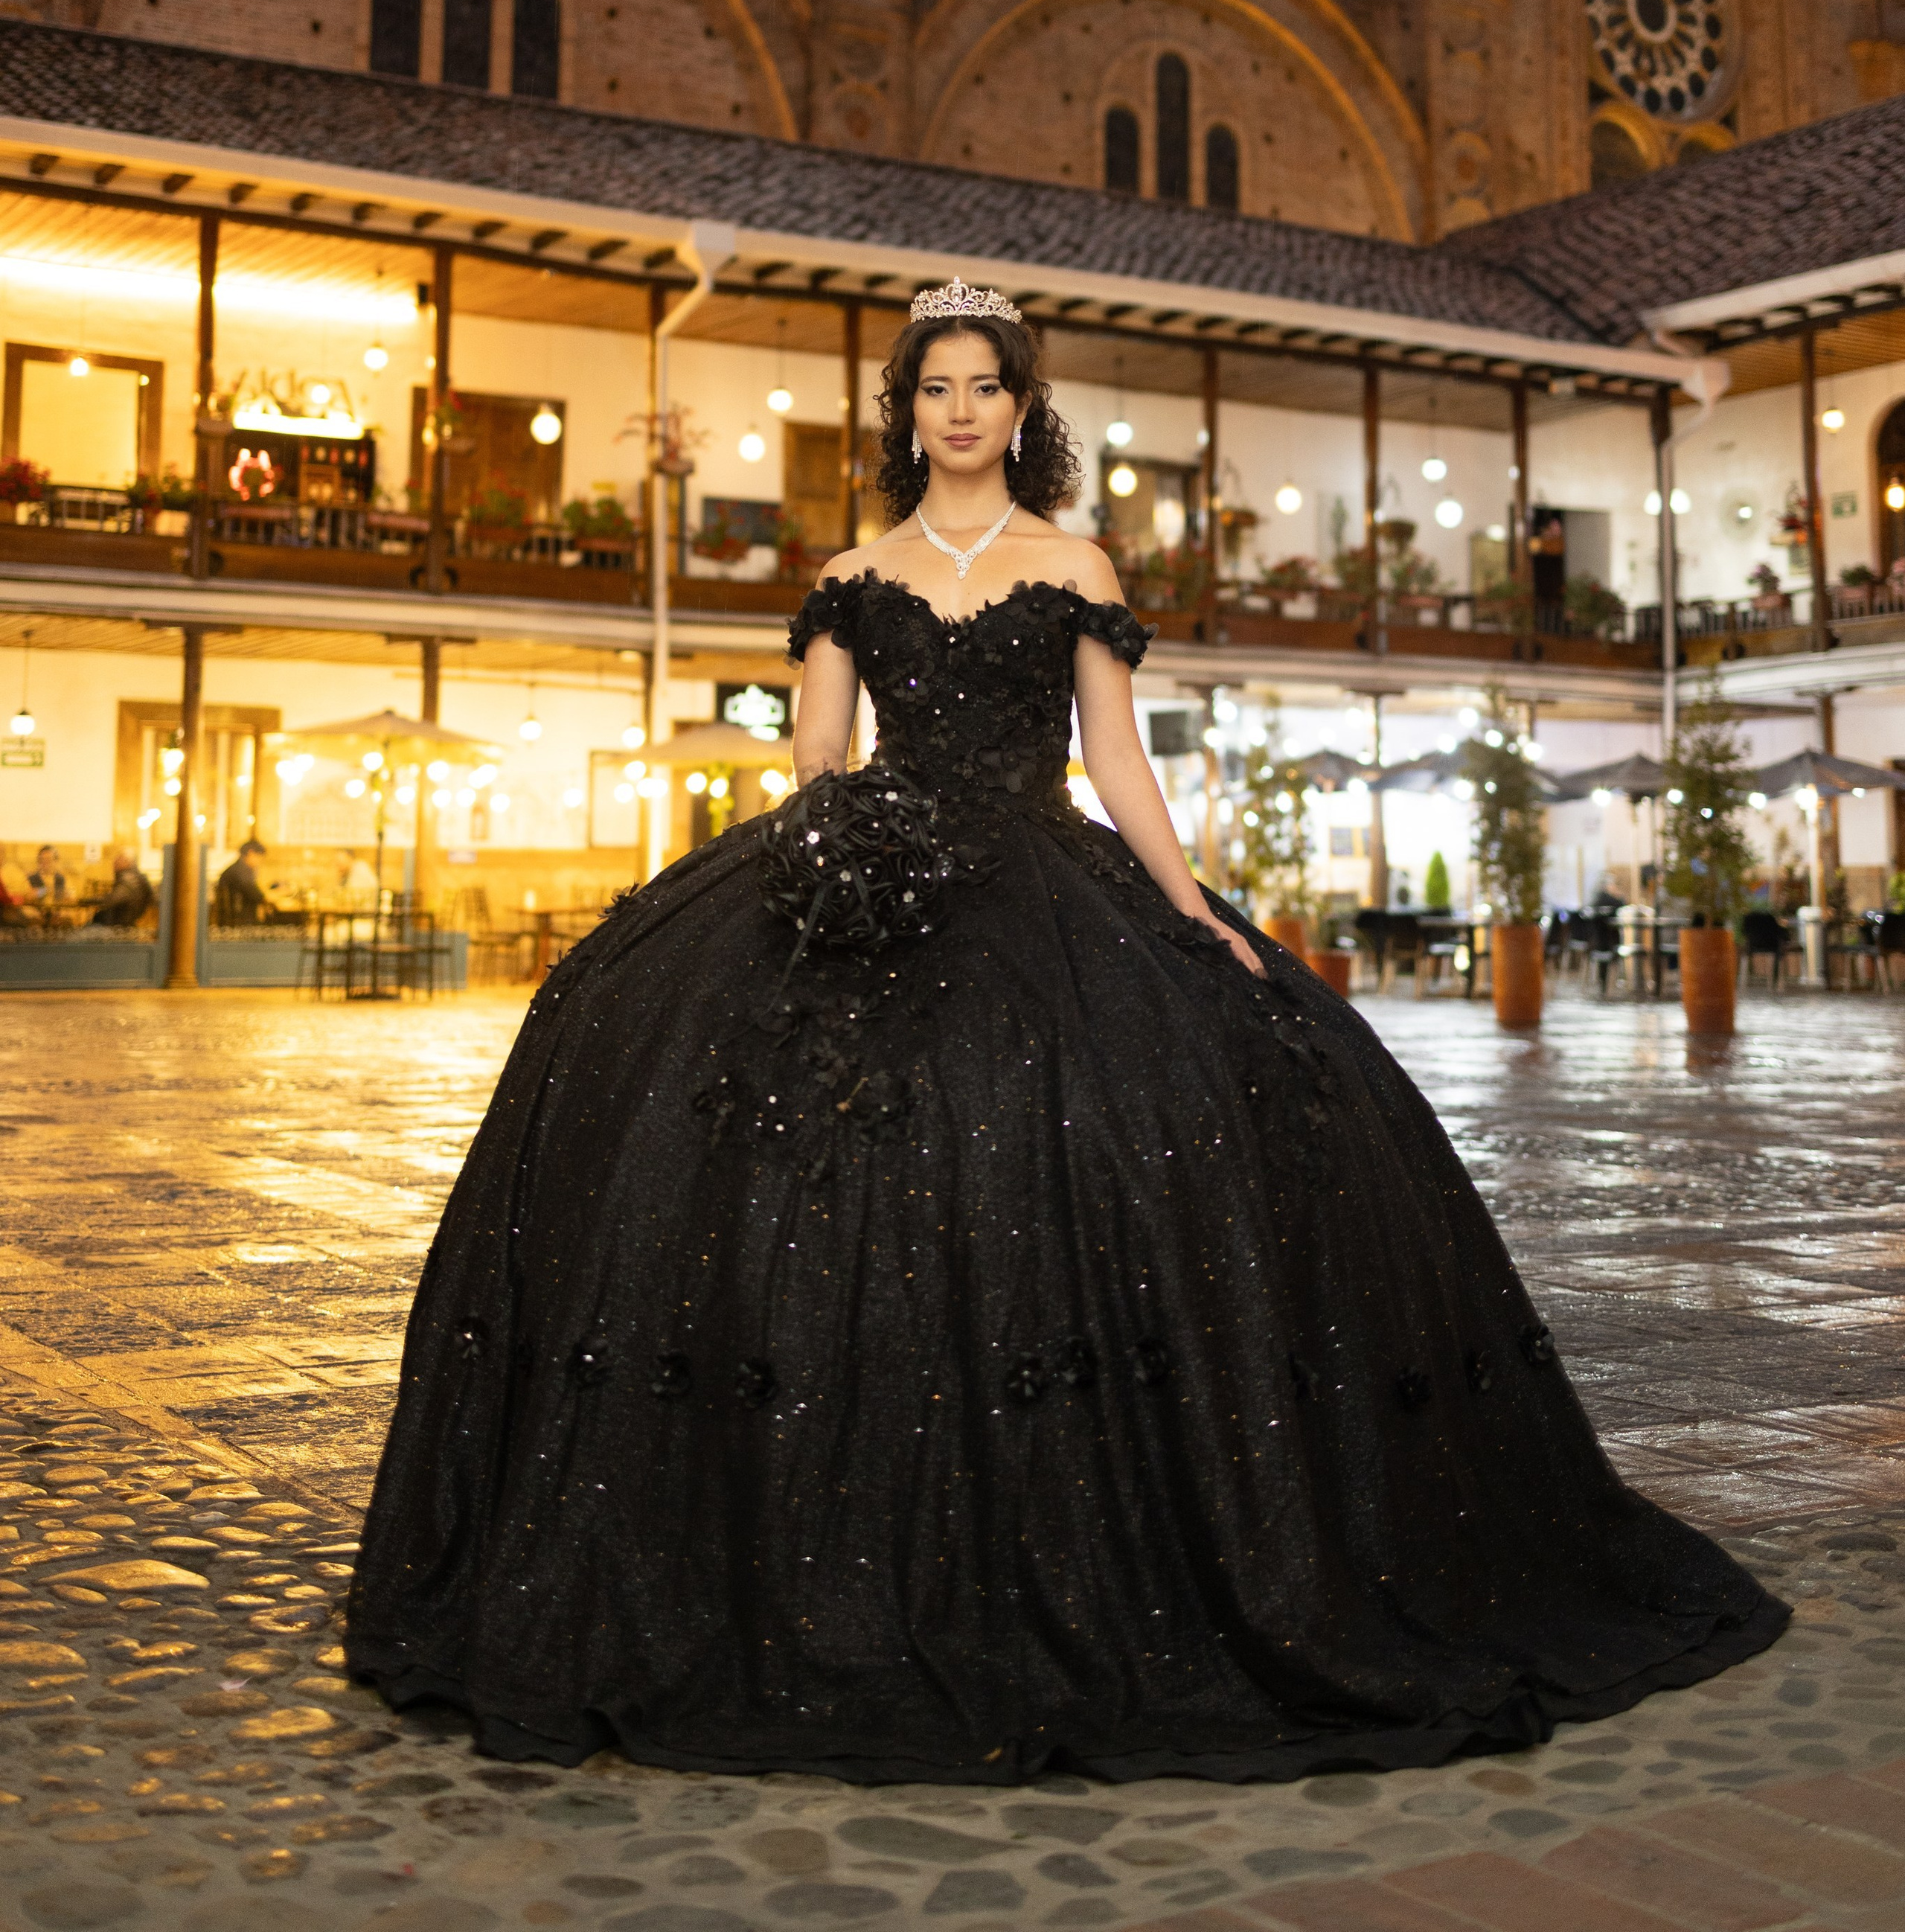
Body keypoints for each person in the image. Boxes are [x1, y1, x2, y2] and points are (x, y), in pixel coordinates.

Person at [345, 280, 1784, 1783]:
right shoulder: (852, 575)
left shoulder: (1074, 564)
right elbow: (818, 753)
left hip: (1048, 888)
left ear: (1021, 411)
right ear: (906, 414)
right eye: (935, 388)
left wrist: (1199, 914)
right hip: (878, 870)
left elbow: (1116, 763)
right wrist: (843, 844)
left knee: (1105, 1131)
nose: (959, 410)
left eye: (985, 386)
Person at [91, 848, 156, 928]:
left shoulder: (127, 880)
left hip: (116, 925)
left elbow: (113, 900)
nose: (115, 862)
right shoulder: (139, 878)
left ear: (127, 862)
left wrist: (93, 900)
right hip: (128, 923)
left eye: (119, 859)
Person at [214, 837, 271, 927]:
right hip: (239, 920)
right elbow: (253, 891)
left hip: (236, 917)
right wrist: (267, 899)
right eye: (259, 857)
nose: (259, 862)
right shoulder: (241, 870)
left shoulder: (238, 867)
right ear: (251, 853)